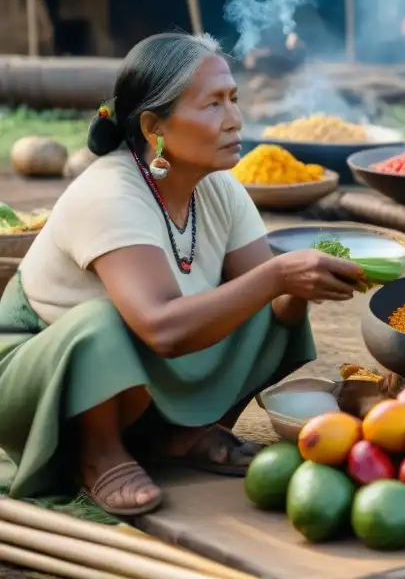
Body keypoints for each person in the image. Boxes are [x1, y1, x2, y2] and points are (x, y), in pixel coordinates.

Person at [0, 33, 365, 516]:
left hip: (138, 374)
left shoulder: (219, 187)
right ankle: (98, 454)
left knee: (269, 304)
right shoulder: (109, 193)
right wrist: (279, 275)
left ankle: (182, 434)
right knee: (104, 322)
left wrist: (301, 284)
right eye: (213, 104)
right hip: (38, 380)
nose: (235, 118)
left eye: (233, 98)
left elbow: (271, 303)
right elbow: (162, 328)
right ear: (155, 127)